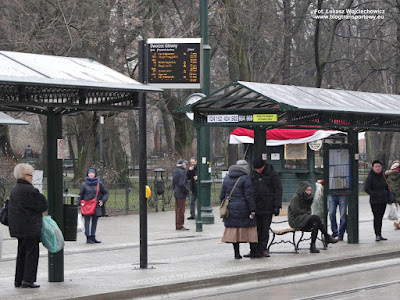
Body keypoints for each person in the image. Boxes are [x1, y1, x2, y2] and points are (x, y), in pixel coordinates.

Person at [8, 163, 48, 288]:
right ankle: (28, 280)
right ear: (25, 176)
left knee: (21, 253)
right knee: (32, 253)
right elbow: (43, 205)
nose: (32, 178)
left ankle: (18, 280)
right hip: (30, 228)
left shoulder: (15, 189)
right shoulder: (29, 190)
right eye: (31, 175)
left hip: (18, 227)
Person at [220, 160, 260, 259]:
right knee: (250, 229)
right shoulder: (246, 179)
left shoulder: (227, 178)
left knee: (234, 230)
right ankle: (253, 252)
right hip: (244, 208)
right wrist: (253, 209)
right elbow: (249, 196)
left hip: (231, 208)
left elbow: (222, 196)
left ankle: (236, 253)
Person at [246, 157, 282, 258]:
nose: (258, 171)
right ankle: (253, 249)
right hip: (255, 207)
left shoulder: (273, 174)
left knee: (264, 230)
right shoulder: (252, 174)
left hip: (267, 206)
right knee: (254, 229)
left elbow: (278, 189)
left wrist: (276, 206)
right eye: (256, 169)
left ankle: (262, 249)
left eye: (260, 168)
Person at [288, 181, 338, 253]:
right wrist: (305, 212)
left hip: (304, 219)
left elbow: (309, 211)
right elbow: (296, 211)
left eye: (310, 190)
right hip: (295, 220)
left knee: (315, 223)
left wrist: (306, 213)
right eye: (307, 190)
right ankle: (326, 236)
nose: (309, 192)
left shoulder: (308, 198)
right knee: (315, 217)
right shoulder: (295, 198)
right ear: (302, 190)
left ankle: (313, 246)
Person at [78, 168, 109, 244]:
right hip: (87, 206)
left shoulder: (99, 183)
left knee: (94, 222)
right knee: (87, 221)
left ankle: (93, 236)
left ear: (95, 174)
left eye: (92, 173)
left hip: (96, 205)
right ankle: (88, 237)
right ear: (87, 174)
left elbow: (106, 193)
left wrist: (102, 201)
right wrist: (78, 204)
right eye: (90, 173)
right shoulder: (84, 184)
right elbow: (80, 195)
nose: (91, 174)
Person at [364, 160, 390, 241]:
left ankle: (380, 233)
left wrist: (386, 193)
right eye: (376, 167)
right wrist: (374, 194)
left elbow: (387, 186)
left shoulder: (383, 176)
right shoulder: (370, 177)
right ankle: (377, 234)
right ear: (373, 167)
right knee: (376, 217)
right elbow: (366, 188)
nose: (378, 168)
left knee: (381, 217)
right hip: (375, 201)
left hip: (383, 200)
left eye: (379, 166)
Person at [172, 159, 190, 230]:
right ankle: (180, 225)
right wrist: (187, 190)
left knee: (177, 210)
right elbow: (181, 183)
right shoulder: (182, 172)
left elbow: (173, 182)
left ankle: (177, 224)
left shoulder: (175, 171)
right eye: (184, 163)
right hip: (181, 193)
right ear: (182, 164)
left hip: (176, 192)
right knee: (181, 210)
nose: (185, 165)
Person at [385, 160, 400, 230]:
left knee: (395, 209)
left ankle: (396, 222)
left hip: (392, 194)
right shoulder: (398, 174)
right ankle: (398, 222)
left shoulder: (388, 175)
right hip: (399, 193)